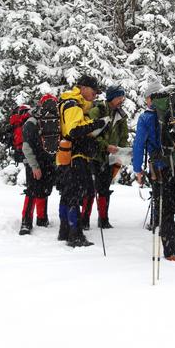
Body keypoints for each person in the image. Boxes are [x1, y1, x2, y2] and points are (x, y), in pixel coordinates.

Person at [133, 80, 175, 261]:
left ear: (151, 98)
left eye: (146, 98)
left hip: (161, 169)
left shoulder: (146, 117)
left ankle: (171, 254)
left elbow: (139, 146)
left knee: (166, 211)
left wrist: (138, 170)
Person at [57, 75, 107, 247]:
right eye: (94, 92)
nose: (94, 96)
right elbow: (73, 131)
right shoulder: (73, 105)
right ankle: (75, 234)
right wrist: (95, 125)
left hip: (69, 155)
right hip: (74, 157)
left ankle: (65, 231)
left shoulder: (77, 106)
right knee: (75, 195)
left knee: (68, 194)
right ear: (84, 88)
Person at [83, 84, 129, 229]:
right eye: (119, 97)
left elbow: (124, 136)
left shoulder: (121, 115)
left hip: (111, 157)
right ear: (111, 97)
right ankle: (84, 219)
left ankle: (103, 219)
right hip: (94, 155)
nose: (122, 100)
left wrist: (121, 152)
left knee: (104, 188)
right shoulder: (97, 111)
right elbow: (90, 133)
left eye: (122, 97)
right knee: (89, 190)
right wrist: (105, 146)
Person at [19, 95, 57, 235]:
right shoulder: (32, 122)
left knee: (44, 190)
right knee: (32, 191)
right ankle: (26, 222)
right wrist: (34, 167)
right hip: (33, 162)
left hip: (47, 162)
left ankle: (42, 219)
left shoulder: (53, 122)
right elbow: (26, 147)